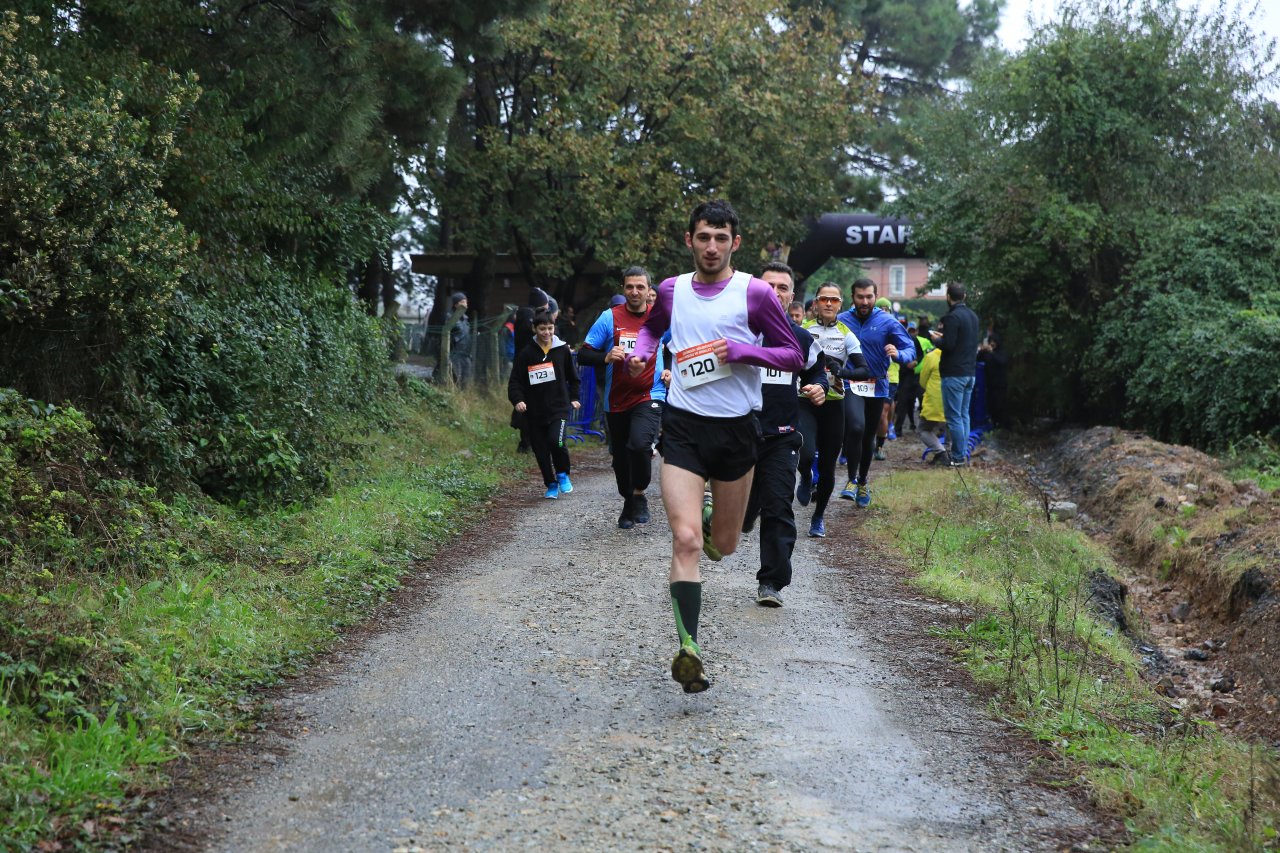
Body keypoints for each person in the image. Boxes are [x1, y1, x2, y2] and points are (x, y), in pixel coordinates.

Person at [626, 199, 802, 693]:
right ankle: (689, 649)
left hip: (738, 431)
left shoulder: (756, 294)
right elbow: (652, 331)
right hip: (682, 426)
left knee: (723, 544)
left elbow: (791, 354)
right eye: (703, 237)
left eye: (721, 238)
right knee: (685, 542)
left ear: (735, 243)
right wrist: (642, 355)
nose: (711, 247)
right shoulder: (671, 290)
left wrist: (746, 350)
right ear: (689, 240)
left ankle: (709, 520)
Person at [742, 261, 827, 606]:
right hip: (737, 434)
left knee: (779, 505)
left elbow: (818, 373)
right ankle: (743, 513)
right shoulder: (737, 332)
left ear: (792, 296)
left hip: (781, 435)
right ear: (754, 290)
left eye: (782, 288)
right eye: (769, 286)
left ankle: (771, 582)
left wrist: (819, 387)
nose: (775, 293)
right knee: (740, 515)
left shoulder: (803, 339)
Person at [578, 267, 667, 529]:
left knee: (639, 445)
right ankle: (629, 500)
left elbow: (678, 346)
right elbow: (584, 355)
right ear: (623, 288)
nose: (635, 292)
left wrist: (671, 368)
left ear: (649, 290)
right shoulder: (609, 318)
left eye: (640, 287)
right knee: (620, 457)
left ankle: (639, 494)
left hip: (649, 394)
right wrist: (604, 357)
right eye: (630, 287)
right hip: (616, 399)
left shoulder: (660, 318)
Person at [797, 282, 868, 538]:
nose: (828, 304)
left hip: (834, 405)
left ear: (840, 304)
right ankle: (805, 474)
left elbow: (864, 369)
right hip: (804, 401)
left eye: (834, 300)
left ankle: (818, 518)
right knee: (805, 453)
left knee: (828, 466)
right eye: (824, 299)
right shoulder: (802, 330)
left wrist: (843, 372)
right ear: (815, 303)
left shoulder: (846, 333)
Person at [836, 279, 916, 506]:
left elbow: (909, 348)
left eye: (869, 297)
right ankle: (851, 480)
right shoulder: (842, 320)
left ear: (875, 296)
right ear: (852, 297)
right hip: (851, 383)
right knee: (855, 426)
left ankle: (862, 481)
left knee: (869, 435)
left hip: (877, 385)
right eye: (860, 297)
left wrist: (899, 354)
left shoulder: (887, 321)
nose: (865, 301)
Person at [508, 309, 581, 498]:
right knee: (540, 451)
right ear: (534, 329)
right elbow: (515, 381)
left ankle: (563, 473)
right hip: (534, 411)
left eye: (550, 328)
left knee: (556, 442)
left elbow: (573, 378)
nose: (547, 333)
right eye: (542, 329)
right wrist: (518, 400)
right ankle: (551, 484)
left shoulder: (562, 350)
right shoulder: (526, 354)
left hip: (559, 408)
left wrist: (574, 397)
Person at [930, 283, 980, 466]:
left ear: (948, 296)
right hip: (970, 373)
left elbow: (949, 344)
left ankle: (958, 458)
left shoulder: (951, 317)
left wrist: (936, 339)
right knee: (964, 415)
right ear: (965, 296)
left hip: (954, 373)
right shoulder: (973, 316)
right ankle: (963, 454)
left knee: (954, 417)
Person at [916, 321, 948, 462]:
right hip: (951, 399)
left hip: (934, 401)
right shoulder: (955, 356)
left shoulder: (931, 356)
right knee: (951, 427)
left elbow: (923, 380)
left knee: (923, 429)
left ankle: (940, 452)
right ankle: (952, 452)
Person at [447, 292, 473, 387]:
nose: (465, 304)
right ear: (456, 304)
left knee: (466, 381)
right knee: (456, 380)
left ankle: (464, 399)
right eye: (462, 302)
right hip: (455, 354)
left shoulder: (466, 319)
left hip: (466, 354)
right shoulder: (449, 318)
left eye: (466, 302)